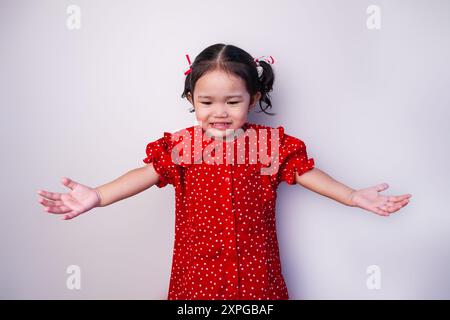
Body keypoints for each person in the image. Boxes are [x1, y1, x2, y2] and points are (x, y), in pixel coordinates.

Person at [37, 43, 412, 300]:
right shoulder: (183, 146)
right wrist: (98, 195)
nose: (220, 111)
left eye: (233, 101)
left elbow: (307, 174)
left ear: (254, 98)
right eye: (207, 101)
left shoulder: (269, 145)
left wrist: (351, 196)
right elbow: (144, 174)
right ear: (191, 100)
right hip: (196, 271)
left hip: (255, 272)